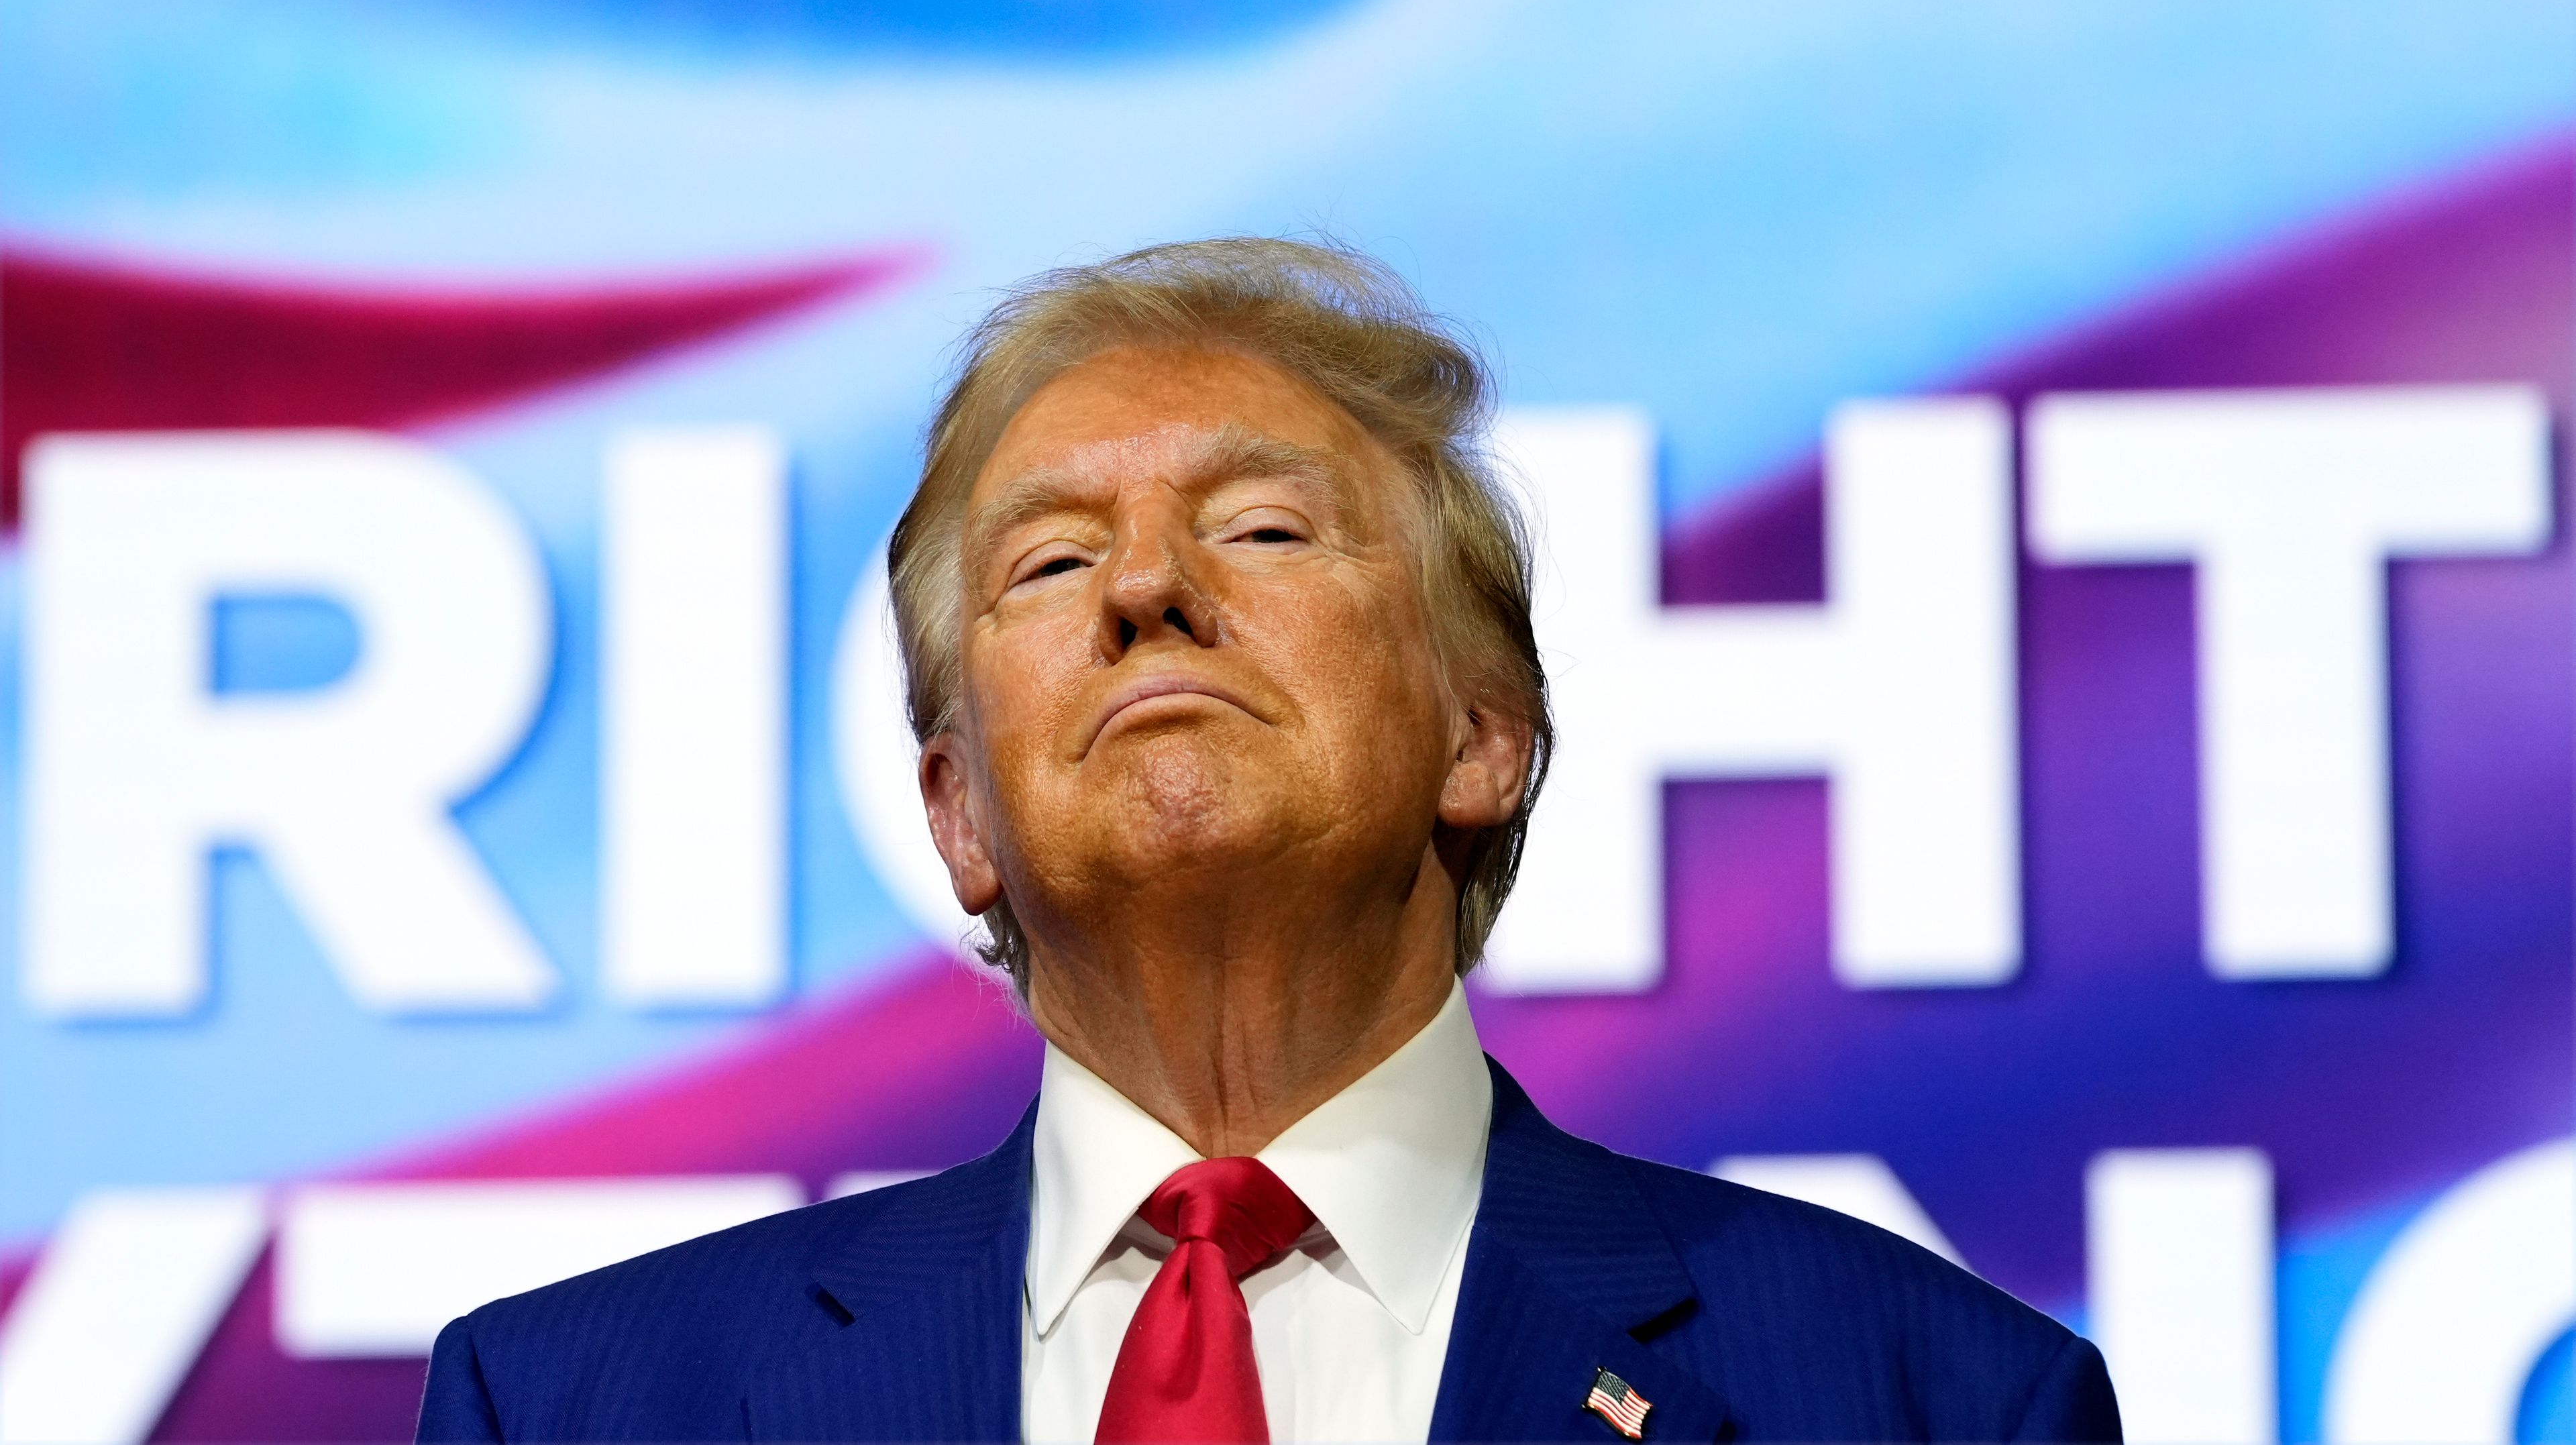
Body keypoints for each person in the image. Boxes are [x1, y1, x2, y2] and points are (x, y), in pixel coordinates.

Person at [417, 239, 2121, 1444]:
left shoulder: (1929, 1399)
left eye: (1263, 524)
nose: (1151, 587)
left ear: (1482, 732)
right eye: (1055, 562)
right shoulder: (576, 1404)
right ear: (959, 816)